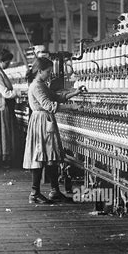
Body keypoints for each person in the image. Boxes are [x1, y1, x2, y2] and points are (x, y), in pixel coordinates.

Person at [23, 57, 86, 204]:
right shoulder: (36, 86)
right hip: (41, 122)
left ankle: (55, 191)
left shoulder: (41, 84)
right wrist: (72, 107)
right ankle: (34, 193)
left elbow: (56, 97)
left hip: (46, 121)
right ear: (40, 71)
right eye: (48, 71)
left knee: (51, 157)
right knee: (40, 157)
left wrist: (74, 93)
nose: (50, 74)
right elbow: (49, 104)